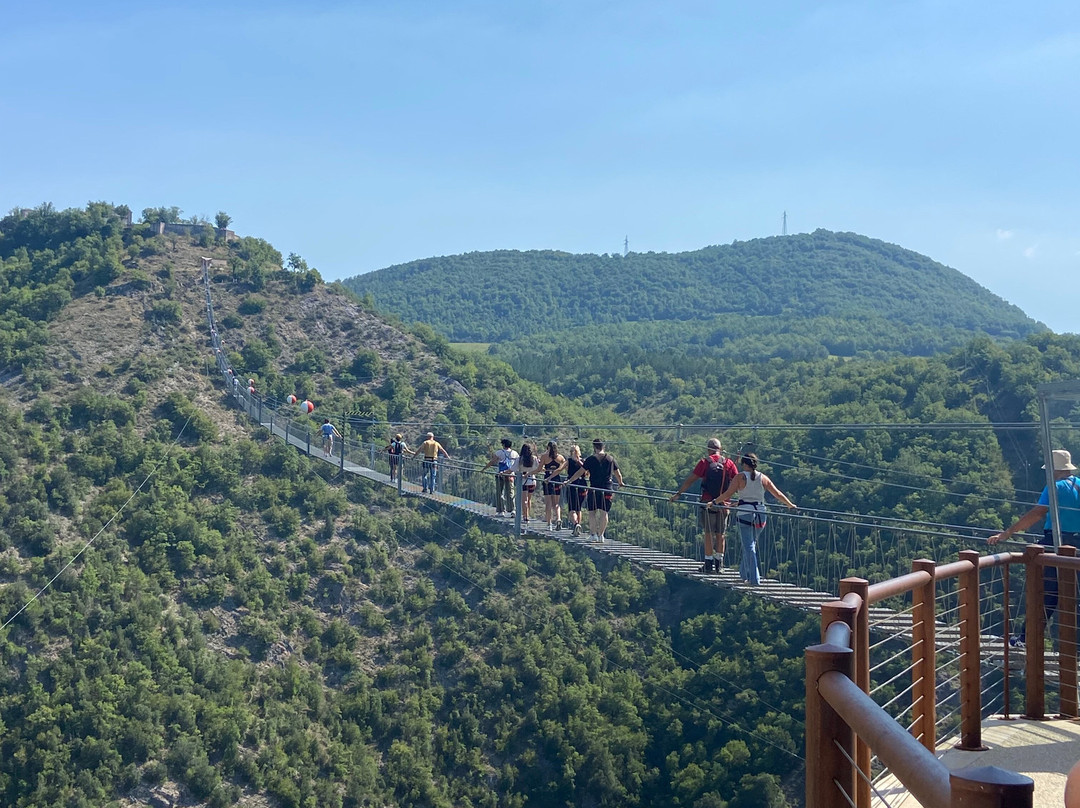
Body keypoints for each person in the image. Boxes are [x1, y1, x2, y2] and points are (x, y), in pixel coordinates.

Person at [989, 449, 1080, 646]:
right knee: (1074, 594)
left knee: (1044, 592)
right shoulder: (1079, 485)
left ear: (1054, 469)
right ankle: (1073, 648)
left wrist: (1007, 533)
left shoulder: (1054, 487)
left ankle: (1027, 639)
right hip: (1077, 544)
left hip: (1056, 542)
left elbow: (1037, 513)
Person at [711, 453, 796, 586]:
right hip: (760, 515)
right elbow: (777, 493)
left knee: (749, 547)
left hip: (745, 514)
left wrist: (714, 502)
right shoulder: (763, 478)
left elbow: (727, 494)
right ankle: (743, 574)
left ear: (745, 464)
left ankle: (754, 579)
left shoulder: (740, 477)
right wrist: (789, 505)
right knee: (750, 545)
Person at [670, 437, 739, 573]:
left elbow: (690, 480)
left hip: (707, 504)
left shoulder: (704, 462)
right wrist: (741, 500)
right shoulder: (729, 463)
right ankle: (719, 565)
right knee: (721, 534)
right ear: (720, 449)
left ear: (708, 449)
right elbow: (738, 482)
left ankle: (708, 564)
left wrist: (678, 494)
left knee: (708, 534)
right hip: (724, 505)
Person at [565, 438, 624, 542]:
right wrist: (620, 483)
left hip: (594, 489)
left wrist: (570, 480)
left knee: (592, 512)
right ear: (603, 447)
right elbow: (618, 474)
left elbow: (580, 472)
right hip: (607, 489)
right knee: (604, 512)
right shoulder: (610, 459)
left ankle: (593, 534)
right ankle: (601, 536)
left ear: (594, 447)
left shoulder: (590, 459)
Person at [480, 438, 519, 516]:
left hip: (500, 474)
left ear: (503, 445)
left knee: (500, 492)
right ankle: (512, 510)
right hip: (510, 474)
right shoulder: (515, 453)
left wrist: (484, 469)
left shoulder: (500, 452)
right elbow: (518, 463)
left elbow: (492, 461)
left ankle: (501, 511)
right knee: (510, 492)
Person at [539, 441, 567, 531]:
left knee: (548, 503)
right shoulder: (560, 457)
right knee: (556, 503)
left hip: (548, 480)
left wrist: (544, 469)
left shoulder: (544, 457)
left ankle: (549, 524)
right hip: (557, 480)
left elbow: (539, 469)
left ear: (548, 447)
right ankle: (558, 518)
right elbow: (564, 468)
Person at [514, 443, 540, 527]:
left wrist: (504, 473)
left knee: (524, 500)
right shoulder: (534, 458)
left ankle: (525, 516)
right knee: (529, 499)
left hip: (523, 481)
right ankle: (528, 514)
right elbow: (539, 468)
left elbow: (513, 468)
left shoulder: (520, 459)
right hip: (532, 480)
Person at [565, 444, 587, 537]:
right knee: (579, 508)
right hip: (582, 485)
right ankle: (578, 527)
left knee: (572, 508)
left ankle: (575, 524)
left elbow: (561, 469)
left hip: (572, 485)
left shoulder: (569, 461)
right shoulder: (583, 461)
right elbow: (587, 472)